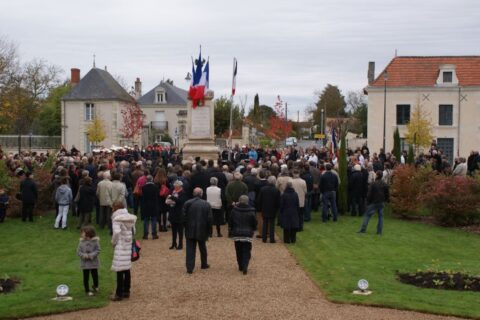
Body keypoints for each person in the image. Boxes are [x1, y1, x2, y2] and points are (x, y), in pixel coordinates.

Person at [111, 200, 137, 301]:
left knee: (119, 269)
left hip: (120, 245)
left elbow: (116, 233)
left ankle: (119, 294)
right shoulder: (130, 217)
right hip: (128, 244)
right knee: (126, 268)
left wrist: (113, 242)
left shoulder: (116, 218)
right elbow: (134, 231)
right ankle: (127, 291)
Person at [182, 187, 213, 274]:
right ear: (201, 194)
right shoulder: (206, 204)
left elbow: (183, 217)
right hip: (202, 229)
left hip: (190, 228)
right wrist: (210, 230)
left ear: (193, 193)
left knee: (190, 248)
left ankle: (190, 267)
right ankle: (204, 263)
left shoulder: (187, 203)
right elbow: (210, 219)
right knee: (202, 247)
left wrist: (186, 226)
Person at [229, 195, 257, 275]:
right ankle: (245, 266)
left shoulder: (234, 210)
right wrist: (253, 229)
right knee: (246, 250)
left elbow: (230, 221)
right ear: (247, 201)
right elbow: (254, 222)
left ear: (239, 201)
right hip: (247, 234)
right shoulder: (251, 210)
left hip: (237, 233)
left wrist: (231, 229)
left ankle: (240, 266)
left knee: (238, 250)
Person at [358, 171, 389, 235]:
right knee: (380, 217)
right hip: (381, 202)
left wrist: (368, 202)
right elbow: (387, 194)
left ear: (377, 175)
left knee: (367, 215)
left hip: (374, 202)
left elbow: (369, 194)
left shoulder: (373, 184)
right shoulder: (384, 184)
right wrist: (386, 200)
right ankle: (379, 232)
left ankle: (362, 230)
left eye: (376, 174)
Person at [77, 225, 100, 296]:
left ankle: (95, 286)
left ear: (88, 234)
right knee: (86, 277)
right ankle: (87, 290)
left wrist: (91, 255)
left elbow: (98, 250)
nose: (81, 234)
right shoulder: (81, 242)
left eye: (83, 233)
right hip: (85, 263)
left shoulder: (95, 242)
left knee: (95, 275)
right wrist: (84, 255)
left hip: (93, 263)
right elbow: (78, 252)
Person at [166, 180, 188, 250]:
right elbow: (168, 199)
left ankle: (180, 244)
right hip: (173, 212)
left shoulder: (183, 193)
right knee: (173, 230)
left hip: (180, 214)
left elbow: (180, 201)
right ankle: (173, 243)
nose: (174, 187)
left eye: (176, 186)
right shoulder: (173, 192)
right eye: (174, 186)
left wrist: (172, 197)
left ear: (180, 186)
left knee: (180, 231)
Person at [257, 176, 280, 243]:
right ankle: (272, 239)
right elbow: (278, 202)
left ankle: (264, 239)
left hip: (265, 208)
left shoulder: (263, 189)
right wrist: (277, 209)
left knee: (265, 223)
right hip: (273, 209)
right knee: (272, 224)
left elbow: (259, 200)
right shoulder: (276, 190)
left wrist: (260, 208)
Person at [141, 175, 159, 240]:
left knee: (146, 220)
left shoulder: (143, 188)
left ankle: (145, 235)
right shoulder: (156, 187)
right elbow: (157, 196)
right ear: (152, 179)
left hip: (146, 205)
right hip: (154, 205)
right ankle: (154, 234)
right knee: (154, 219)